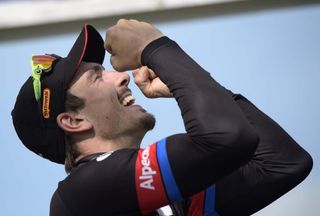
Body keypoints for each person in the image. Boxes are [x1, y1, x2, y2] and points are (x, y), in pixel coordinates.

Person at [12, 19, 312, 216]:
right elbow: (227, 140)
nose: (123, 78)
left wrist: (192, 83)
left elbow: (282, 164)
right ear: (74, 122)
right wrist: (156, 48)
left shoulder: (165, 197)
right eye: (96, 76)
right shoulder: (81, 194)